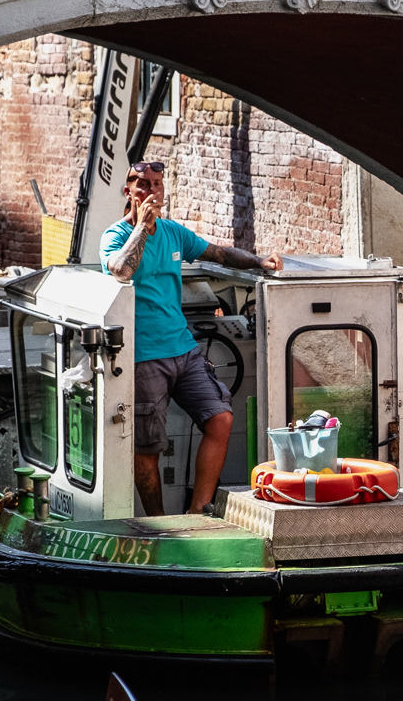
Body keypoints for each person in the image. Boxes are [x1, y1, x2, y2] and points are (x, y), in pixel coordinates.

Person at [102, 160, 281, 516]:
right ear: (128, 192)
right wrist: (141, 227)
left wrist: (259, 262)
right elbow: (121, 270)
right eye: (141, 185)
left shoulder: (173, 233)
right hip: (142, 357)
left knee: (221, 418)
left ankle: (199, 510)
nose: (150, 190)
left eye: (156, 184)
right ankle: (159, 524)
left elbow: (219, 253)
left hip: (184, 348)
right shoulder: (115, 236)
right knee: (147, 452)